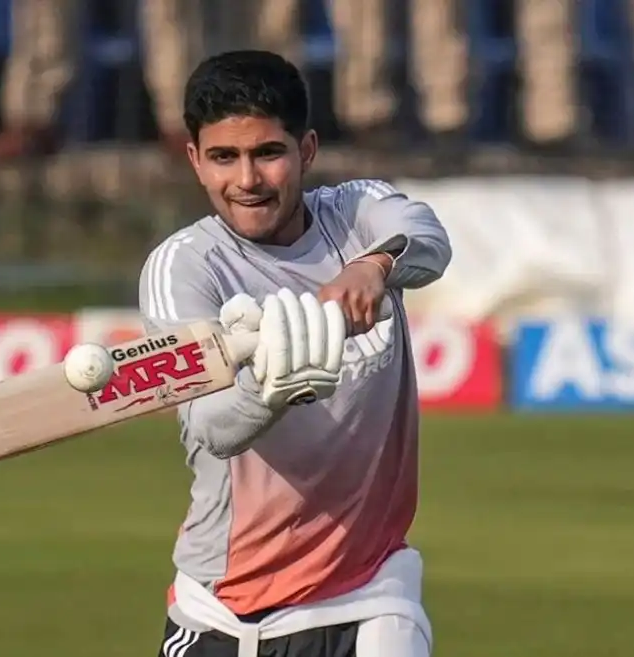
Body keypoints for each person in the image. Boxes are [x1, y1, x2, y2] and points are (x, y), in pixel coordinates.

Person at [138, 50, 453, 657]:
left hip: (370, 595)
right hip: (226, 610)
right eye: (224, 157)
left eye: (268, 153)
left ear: (306, 150)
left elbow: (430, 240)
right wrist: (271, 389)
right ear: (195, 160)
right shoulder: (185, 268)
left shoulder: (356, 216)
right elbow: (210, 427)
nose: (247, 180)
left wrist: (374, 265)